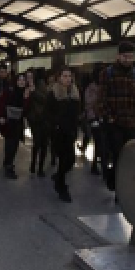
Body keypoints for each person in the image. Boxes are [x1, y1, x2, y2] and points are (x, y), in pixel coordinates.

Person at [100, 42, 135, 192]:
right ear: (118, 56)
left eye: (131, 57)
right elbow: (102, 99)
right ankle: (117, 185)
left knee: (127, 156)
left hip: (130, 122)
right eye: (125, 56)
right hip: (114, 123)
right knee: (117, 154)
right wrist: (109, 117)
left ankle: (120, 185)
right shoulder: (108, 73)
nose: (128, 59)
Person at [50, 67, 82, 202]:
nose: (67, 79)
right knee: (63, 159)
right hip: (58, 131)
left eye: (69, 76)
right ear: (59, 77)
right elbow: (48, 112)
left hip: (71, 131)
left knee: (70, 160)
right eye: (64, 76)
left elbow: (79, 110)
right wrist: (54, 126)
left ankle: (58, 177)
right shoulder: (53, 92)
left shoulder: (75, 92)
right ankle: (61, 187)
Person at [0, 71, 29, 179]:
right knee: (10, 144)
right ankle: (8, 166)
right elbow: (1, 103)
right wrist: (1, 116)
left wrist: (26, 98)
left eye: (23, 80)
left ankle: (8, 163)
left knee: (14, 144)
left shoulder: (25, 92)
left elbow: (26, 109)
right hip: (9, 121)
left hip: (18, 122)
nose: (21, 82)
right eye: (19, 80)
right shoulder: (10, 91)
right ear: (16, 81)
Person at [26, 68, 51, 176]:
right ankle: (33, 163)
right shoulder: (25, 85)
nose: (29, 79)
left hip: (44, 118)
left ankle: (40, 167)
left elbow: (45, 99)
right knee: (37, 142)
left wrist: (33, 91)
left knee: (44, 143)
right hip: (33, 119)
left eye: (31, 76)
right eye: (28, 77)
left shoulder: (40, 84)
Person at [83, 70, 104, 175]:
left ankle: (97, 162)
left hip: (100, 117)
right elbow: (88, 103)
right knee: (97, 139)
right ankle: (95, 164)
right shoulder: (90, 89)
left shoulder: (103, 87)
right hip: (93, 117)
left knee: (100, 141)